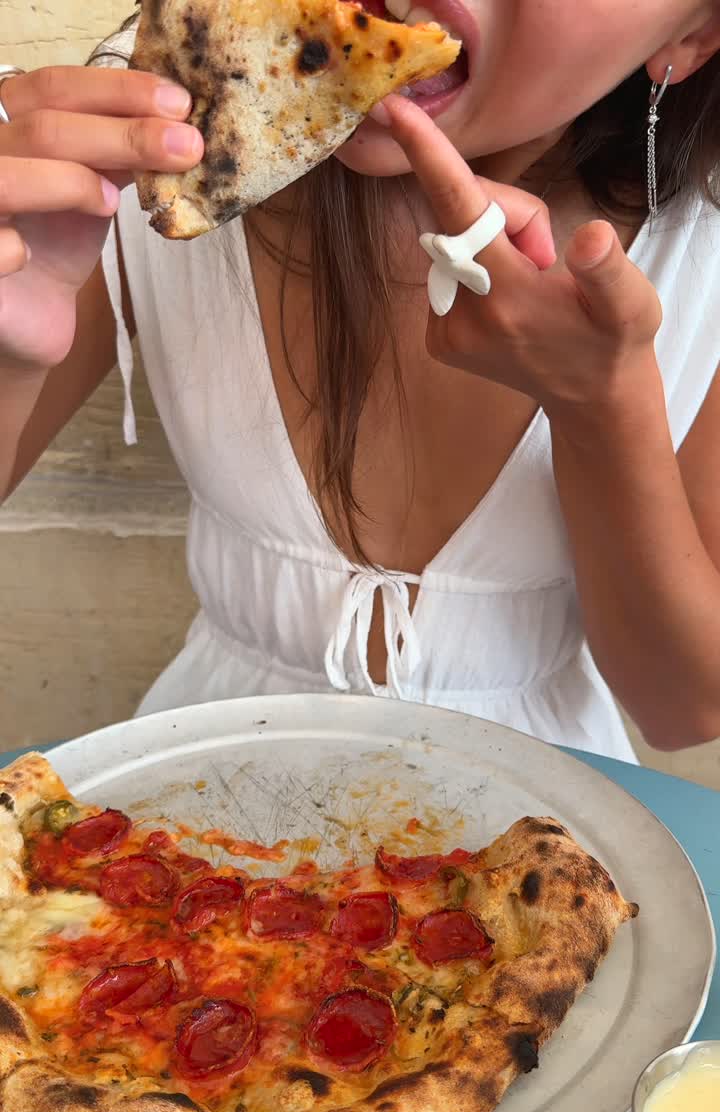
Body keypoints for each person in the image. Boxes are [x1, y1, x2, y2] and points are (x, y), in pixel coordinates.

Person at [1, 2, 720, 764]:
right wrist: (15, 343)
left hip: (541, 814)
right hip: (193, 798)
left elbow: (680, 708)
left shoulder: (701, 263)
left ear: (690, 34)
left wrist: (601, 407)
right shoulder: (165, 129)